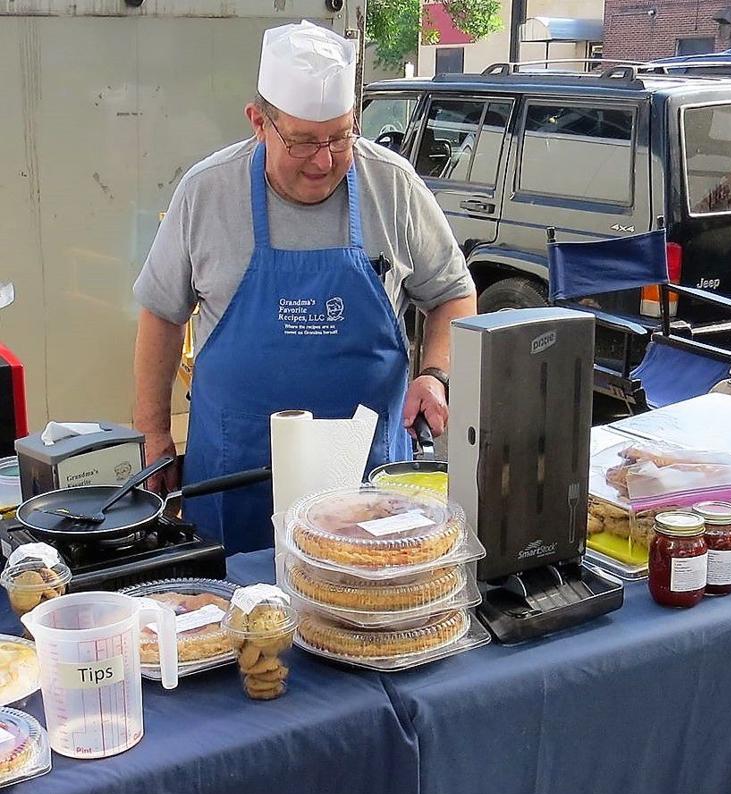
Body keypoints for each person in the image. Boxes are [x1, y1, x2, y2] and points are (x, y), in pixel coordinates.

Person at [132, 21, 476, 555]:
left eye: (341, 136)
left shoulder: (393, 186)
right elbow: (161, 312)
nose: (325, 160)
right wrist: (153, 431)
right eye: (304, 141)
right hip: (236, 471)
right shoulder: (206, 192)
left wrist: (435, 374)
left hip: (367, 481)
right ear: (258, 123)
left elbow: (453, 293)